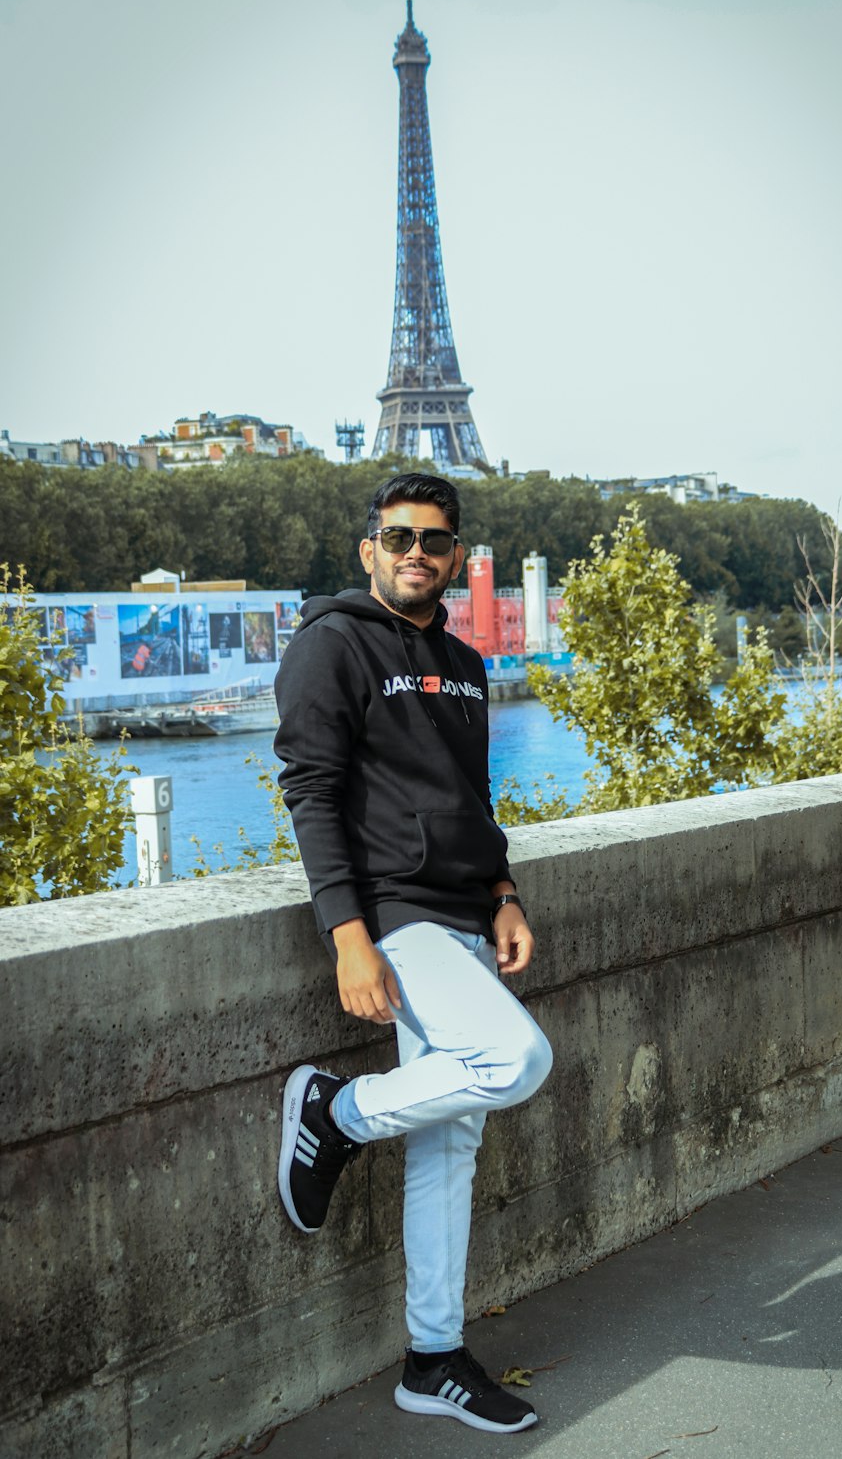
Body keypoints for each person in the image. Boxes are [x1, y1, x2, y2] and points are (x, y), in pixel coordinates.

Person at [273, 472, 552, 1435]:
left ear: (458, 557)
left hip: (470, 912)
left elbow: (472, 797)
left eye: (434, 542)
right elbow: (310, 792)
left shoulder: (467, 665)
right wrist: (349, 938)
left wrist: (505, 892)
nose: (415, 555)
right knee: (514, 1060)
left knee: (449, 1143)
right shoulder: (332, 644)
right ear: (369, 550)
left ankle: (432, 1357)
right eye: (398, 538)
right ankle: (337, 1112)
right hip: (397, 916)